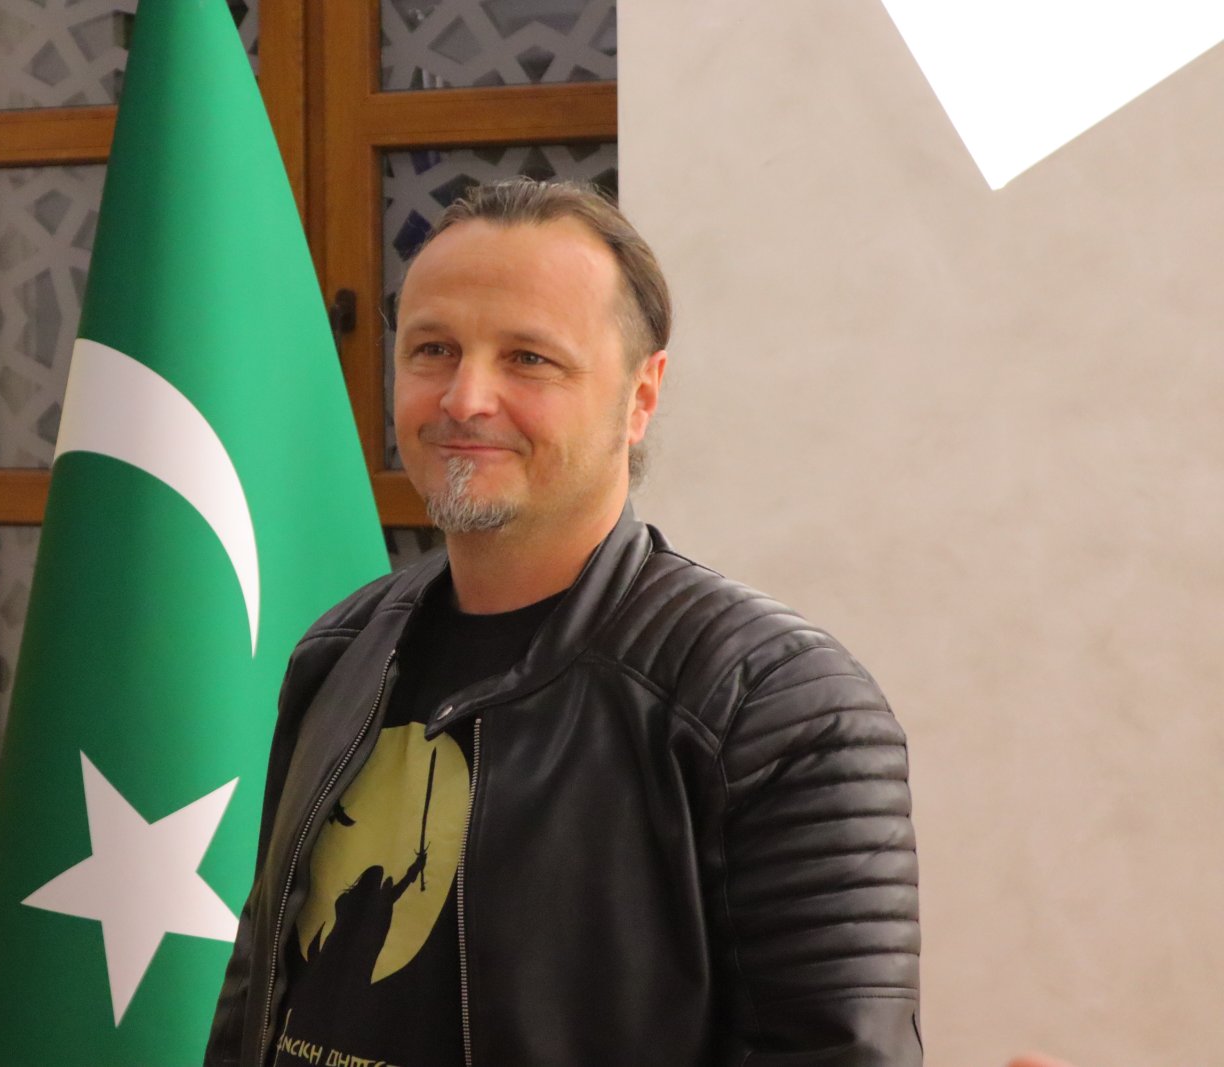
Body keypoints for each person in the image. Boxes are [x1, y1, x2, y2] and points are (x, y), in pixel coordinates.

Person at [205, 178, 921, 1066]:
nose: (465, 398)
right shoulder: (340, 652)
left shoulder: (775, 706)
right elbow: (259, 986)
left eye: (529, 358)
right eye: (433, 349)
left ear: (641, 395)